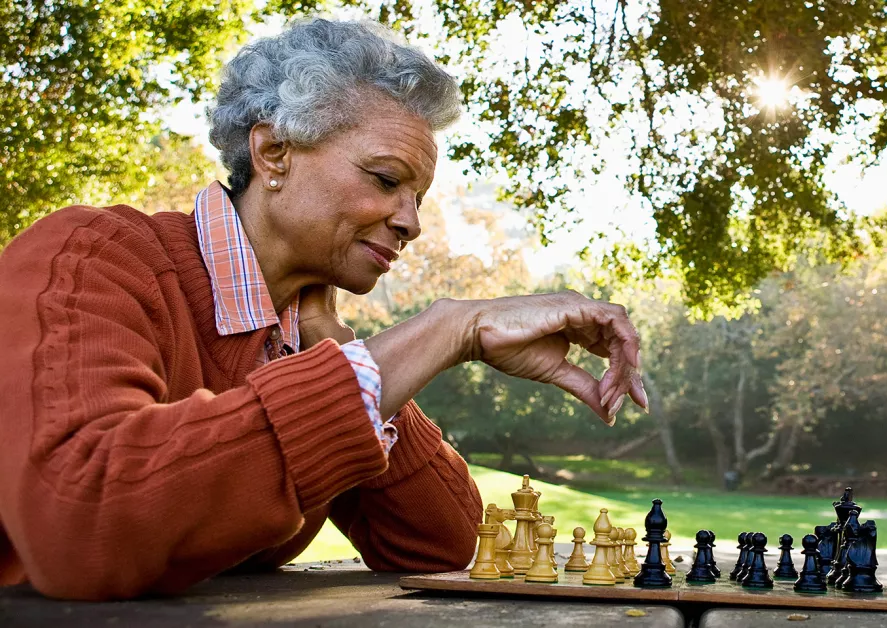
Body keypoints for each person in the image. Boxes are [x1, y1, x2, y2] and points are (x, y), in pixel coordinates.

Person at [0, 18, 647, 601]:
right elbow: (80, 522)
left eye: (418, 196)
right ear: (273, 153)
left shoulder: (305, 332)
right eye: (388, 180)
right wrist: (448, 327)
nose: (411, 222)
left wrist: (336, 348)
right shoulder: (91, 259)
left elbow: (446, 544)